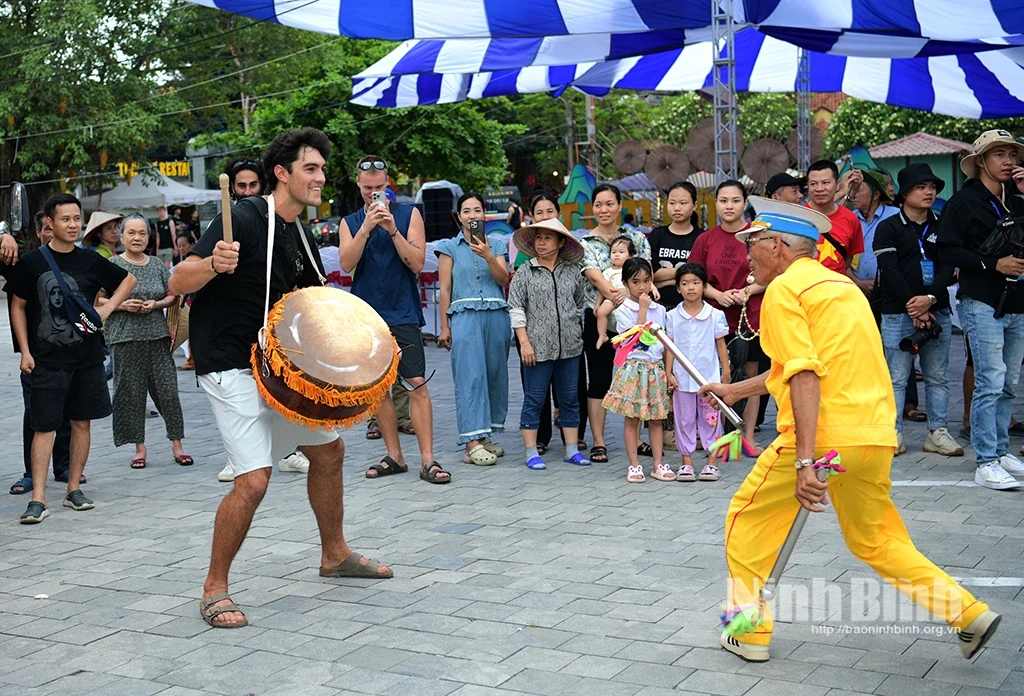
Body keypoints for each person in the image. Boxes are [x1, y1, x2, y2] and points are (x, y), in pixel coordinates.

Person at [702, 199, 1001, 664]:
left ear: (777, 245)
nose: (747, 257)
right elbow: (802, 366)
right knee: (877, 539)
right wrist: (735, 389)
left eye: (752, 244)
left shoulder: (784, 292)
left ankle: (748, 633)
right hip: (873, 437)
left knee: (747, 521)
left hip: (824, 439)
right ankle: (967, 613)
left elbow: (804, 376)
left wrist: (804, 460)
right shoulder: (839, 287)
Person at [169, 128, 391, 629]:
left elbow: (315, 306)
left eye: (322, 169)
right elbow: (178, 280)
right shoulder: (245, 216)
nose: (320, 177)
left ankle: (334, 555)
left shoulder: (298, 232)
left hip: (279, 367)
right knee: (253, 480)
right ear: (282, 174)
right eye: (310, 169)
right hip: (229, 362)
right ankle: (214, 588)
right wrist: (211, 263)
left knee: (329, 450)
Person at [10, 193, 137, 524]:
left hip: (87, 357)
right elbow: (18, 306)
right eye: (65, 219)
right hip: (46, 359)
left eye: (77, 219)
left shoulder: (90, 260)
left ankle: (72, 489)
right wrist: (24, 350)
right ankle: (38, 497)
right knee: (44, 426)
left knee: (82, 422)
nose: (72, 225)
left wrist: (108, 307)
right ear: (49, 223)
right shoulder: (32, 262)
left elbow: (128, 280)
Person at [339, 155, 450, 484]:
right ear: (358, 186)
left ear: (388, 184)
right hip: (367, 315)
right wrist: (366, 227)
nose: (374, 193)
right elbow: (346, 264)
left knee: (417, 383)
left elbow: (417, 263)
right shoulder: (350, 221)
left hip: (402, 310)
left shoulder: (408, 214)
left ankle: (428, 459)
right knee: (378, 390)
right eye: (367, 188)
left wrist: (391, 229)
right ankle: (395, 455)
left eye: (379, 187)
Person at [936, 129, 1024, 490]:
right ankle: (985, 460)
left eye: (1012, 155)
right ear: (981, 161)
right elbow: (947, 251)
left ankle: (1001, 451)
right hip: (981, 300)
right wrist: (993, 264)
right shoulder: (962, 202)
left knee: (1009, 383)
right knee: (990, 380)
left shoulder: (1018, 198)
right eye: (999, 154)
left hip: (1018, 301)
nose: (1009, 161)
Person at [873, 163, 962, 458]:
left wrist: (930, 301)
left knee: (937, 376)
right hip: (898, 312)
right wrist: (916, 304)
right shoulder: (888, 227)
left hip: (938, 311)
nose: (929, 192)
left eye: (932, 187)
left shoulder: (942, 225)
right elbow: (890, 270)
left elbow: (949, 267)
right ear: (904, 194)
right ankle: (893, 432)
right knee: (897, 377)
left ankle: (937, 432)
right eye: (921, 187)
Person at [100, 213, 191, 469]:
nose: (137, 237)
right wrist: (122, 304)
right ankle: (139, 448)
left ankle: (177, 444)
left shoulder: (156, 265)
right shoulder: (112, 265)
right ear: (122, 235)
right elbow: (98, 300)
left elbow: (172, 295)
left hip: (157, 337)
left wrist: (156, 304)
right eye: (131, 233)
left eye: (142, 233)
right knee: (130, 395)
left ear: (149, 237)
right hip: (125, 338)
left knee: (168, 392)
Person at [689, 181, 765, 453]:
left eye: (735, 200)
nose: (729, 206)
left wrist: (748, 291)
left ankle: (749, 437)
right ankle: (719, 436)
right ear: (716, 203)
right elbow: (693, 276)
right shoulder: (705, 239)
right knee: (720, 374)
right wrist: (717, 294)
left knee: (752, 376)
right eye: (723, 200)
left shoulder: (757, 235)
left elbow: (775, 274)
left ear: (745, 203)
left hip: (751, 316)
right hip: (714, 316)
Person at [509, 218, 591, 470]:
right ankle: (532, 452)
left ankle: (571, 450)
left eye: (547, 237)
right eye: (538, 238)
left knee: (569, 399)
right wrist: (524, 342)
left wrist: (569, 328)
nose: (541, 242)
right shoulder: (525, 272)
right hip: (536, 348)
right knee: (534, 399)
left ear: (561, 242)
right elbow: (516, 308)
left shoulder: (572, 271)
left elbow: (580, 303)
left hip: (570, 347)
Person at [435, 193, 511, 465]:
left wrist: (489, 255)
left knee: (494, 375)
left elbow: (503, 280)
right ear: (459, 216)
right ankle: (471, 442)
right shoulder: (449, 247)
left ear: (484, 214)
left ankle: (485, 434)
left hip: (495, 314)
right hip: (464, 314)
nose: (472, 215)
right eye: (466, 211)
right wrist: (444, 326)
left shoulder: (499, 245)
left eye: (477, 210)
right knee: (470, 376)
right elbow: (444, 289)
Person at [580, 183, 651, 464]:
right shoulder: (586, 243)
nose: (604, 209)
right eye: (598, 204)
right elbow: (594, 276)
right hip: (600, 319)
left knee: (637, 378)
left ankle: (637, 438)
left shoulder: (636, 238)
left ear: (620, 206)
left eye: (609, 204)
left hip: (635, 320)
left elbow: (646, 271)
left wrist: (631, 295)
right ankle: (599, 441)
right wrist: (620, 294)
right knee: (598, 381)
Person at [7, 213, 73, 496]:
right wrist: (3, 237)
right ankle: (30, 472)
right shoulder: (26, 263)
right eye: (47, 229)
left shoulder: (76, 260)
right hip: (35, 353)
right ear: (38, 231)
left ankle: (64, 466)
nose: (52, 233)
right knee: (34, 413)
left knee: (69, 410)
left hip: (70, 349)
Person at [602, 258, 672, 482]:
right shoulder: (622, 310)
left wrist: (669, 372)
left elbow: (666, 345)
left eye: (646, 280)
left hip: (655, 369)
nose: (642, 286)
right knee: (632, 418)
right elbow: (636, 339)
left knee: (656, 419)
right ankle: (634, 465)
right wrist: (642, 310)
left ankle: (658, 463)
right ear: (625, 283)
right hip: (633, 369)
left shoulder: (660, 310)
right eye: (636, 281)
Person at [665, 263, 730, 482]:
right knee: (683, 420)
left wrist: (726, 371)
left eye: (695, 283)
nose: (691, 288)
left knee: (711, 420)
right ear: (678, 289)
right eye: (685, 283)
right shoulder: (672, 316)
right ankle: (687, 463)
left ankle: (712, 462)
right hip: (682, 380)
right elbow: (670, 347)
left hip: (708, 380)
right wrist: (669, 373)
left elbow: (721, 345)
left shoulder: (715, 315)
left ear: (704, 286)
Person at [648, 181, 705, 311]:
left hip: (694, 308)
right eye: (672, 203)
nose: (677, 208)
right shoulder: (657, 235)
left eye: (683, 203)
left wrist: (667, 280)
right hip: (659, 306)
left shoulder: (702, 237)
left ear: (694, 205)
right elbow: (651, 274)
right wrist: (686, 273)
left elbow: (703, 275)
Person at [805, 160, 864, 277]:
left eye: (825, 182)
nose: (819, 188)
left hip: (836, 289)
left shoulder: (851, 218)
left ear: (837, 184)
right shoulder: (797, 216)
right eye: (813, 184)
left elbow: (848, 257)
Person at [847, 169, 899, 296]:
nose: (854, 196)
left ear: (876, 195)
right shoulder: (849, 219)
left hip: (890, 291)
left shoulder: (895, 217)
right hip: (856, 291)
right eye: (853, 191)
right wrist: (858, 282)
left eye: (858, 191)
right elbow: (841, 256)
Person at [593, 236, 636, 341]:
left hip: (630, 299)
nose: (617, 254)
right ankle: (602, 335)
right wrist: (598, 304)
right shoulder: (608, 271)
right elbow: (601, 290)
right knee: (601, 312)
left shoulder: (633, 269)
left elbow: (643, 281)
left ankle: (631, 335)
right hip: (612, 298)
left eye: (621, 252)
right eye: (613, 252)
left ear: (630, 256)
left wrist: (653, 288)